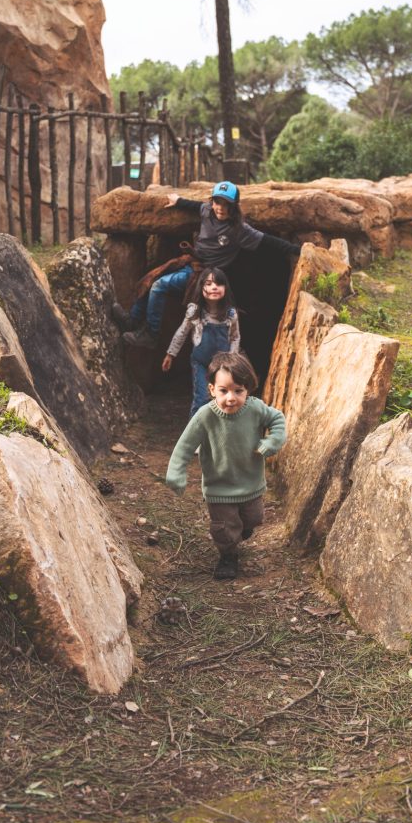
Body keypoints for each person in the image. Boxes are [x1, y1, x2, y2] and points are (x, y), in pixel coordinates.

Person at [117, 180, 300, 349]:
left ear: (234, 206)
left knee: (159, 286)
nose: (220, 208)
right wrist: (178, 201)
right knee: (152, 278)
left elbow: (269, 241)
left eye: (226, 204)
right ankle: (131, 321)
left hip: (206, 275)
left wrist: (296, 249)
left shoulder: (239, 230)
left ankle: (151, 334)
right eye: (217, 202)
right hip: (191, 262)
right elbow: (196, 206)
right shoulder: (207, 211)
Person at [165, 352, 286, 580]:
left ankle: (241, 529)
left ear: (247, 389)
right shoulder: (204, 416)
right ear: (212, 390)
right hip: (218, 487)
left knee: (254, 518)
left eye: (238, 391)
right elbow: (185, 445)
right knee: (224, 528)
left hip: (250, 483)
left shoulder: (255, 409)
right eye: (224, 391)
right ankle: (228, 556)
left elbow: (277, 419)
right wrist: (175, 473)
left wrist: (272, 441)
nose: (231, 398)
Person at [162, 268, 241, 417]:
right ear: (201, 287)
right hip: (201, 363)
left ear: (226, 288)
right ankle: (195, 435)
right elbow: (182, 332)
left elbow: (235, 337)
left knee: (221, 399)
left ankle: (216, 435)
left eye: (219, 284)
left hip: (223, 365)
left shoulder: (231, 313)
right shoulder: (195, 311)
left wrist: (233, 358)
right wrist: (170, 354)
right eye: (209, 283)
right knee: (201, 399)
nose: (214, 287)